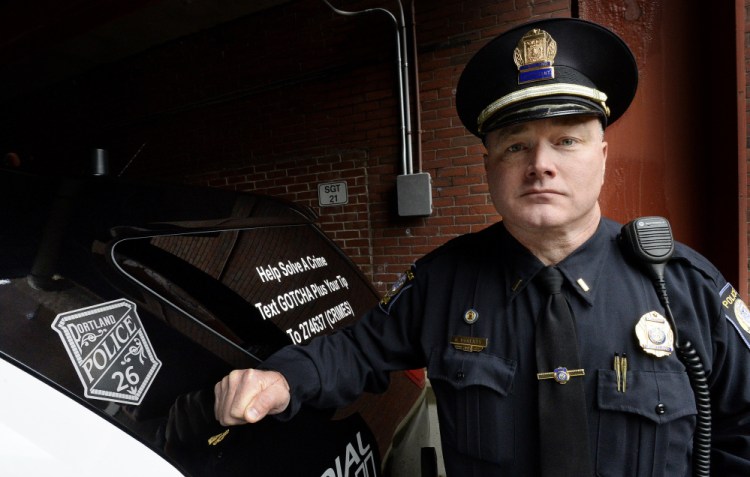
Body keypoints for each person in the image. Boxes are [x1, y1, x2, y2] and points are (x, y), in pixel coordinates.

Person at [214, 18, 750, 476]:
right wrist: (282, 378)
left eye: (566, 140)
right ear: (489, 167)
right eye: (516, 145)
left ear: (603, 157)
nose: (541, 163)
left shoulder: (683, 286)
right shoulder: (444, 281)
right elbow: (356, 351)